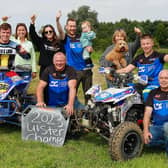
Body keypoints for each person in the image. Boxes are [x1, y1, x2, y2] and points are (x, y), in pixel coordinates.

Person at [117, 34, 168, 101]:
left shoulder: (159, 56)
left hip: (155, 84)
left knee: (146, 93)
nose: (145, 46)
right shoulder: (139, 58)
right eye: (143, 44)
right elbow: (126, 69)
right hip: (141, 84)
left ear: (152, 43)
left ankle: (147, 111)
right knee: (125, 89)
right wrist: (113, 71)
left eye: (148, 43)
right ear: (141, 45)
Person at [56, 14, 93, 104]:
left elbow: (89, 49)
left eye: (74, 26)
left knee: (88, 95)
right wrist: (57, 21)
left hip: (87, 70)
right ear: (66, 27)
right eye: (70, 26)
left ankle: (88, 115)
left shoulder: (81, 37)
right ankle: (72, 114)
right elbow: (60, 32)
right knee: (72, 94)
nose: (72, 28)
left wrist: (90, 49)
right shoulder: (65, 38)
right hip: (73, 71)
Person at [29, 11, 64, 77]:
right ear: (44, 33)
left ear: (53, 32)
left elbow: (63, 55)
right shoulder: (41, 42)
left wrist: (57, 20)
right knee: (43, 87)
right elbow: (33, 34)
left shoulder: (59, 43)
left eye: (50, 31)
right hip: (44, 70)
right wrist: (32, 22)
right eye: (46, 32)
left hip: (57, 70)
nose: (48, 33)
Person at [143, 69, 168, 155]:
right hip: (157, 127)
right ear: (158, 80)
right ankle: (165, 144)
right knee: (147, 141)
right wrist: (145, 131)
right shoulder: (153, 93)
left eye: (166, 78)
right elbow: (147, 114)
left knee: (167, 126)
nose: (163, 80)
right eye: (161, 78)